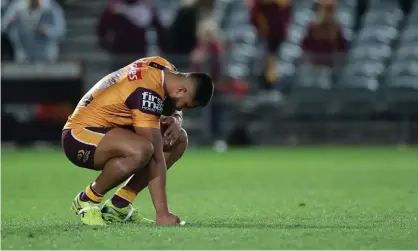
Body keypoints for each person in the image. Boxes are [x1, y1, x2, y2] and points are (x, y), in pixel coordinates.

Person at [62, 56, 214, 226]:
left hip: (109, 129)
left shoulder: (164, 67)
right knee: (142, 150)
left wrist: (177, 119)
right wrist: (162, 214)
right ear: (180, 90)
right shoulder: (146, 92)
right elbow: (156, 157)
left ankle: (119, 204)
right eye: (184, 106)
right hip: (79, 135)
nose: (180, 109)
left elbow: (171, 106)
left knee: (177, 139)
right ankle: (87, 199)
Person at [97, 0, 166, 70]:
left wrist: (163, 48)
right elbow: (102, 29)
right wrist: (106, 46)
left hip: (139, 53)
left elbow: (160, 30)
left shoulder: (146, 8)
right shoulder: (114, 9)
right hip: (119, 54)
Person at [1, 0, 66, 62]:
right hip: (23, 57)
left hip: (46, 57)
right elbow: (4, 26)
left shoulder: (51, 7)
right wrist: (11, 24)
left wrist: (48, 32)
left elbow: (60, 31)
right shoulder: (17, 6)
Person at [301, 0, 347, 68]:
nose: (327, 13)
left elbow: (342, 47)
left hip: (330, 64)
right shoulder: (313, 25)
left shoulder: (337, 26)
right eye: (326, 9)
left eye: (330, 10)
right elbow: (305, 45)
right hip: (314, 64)